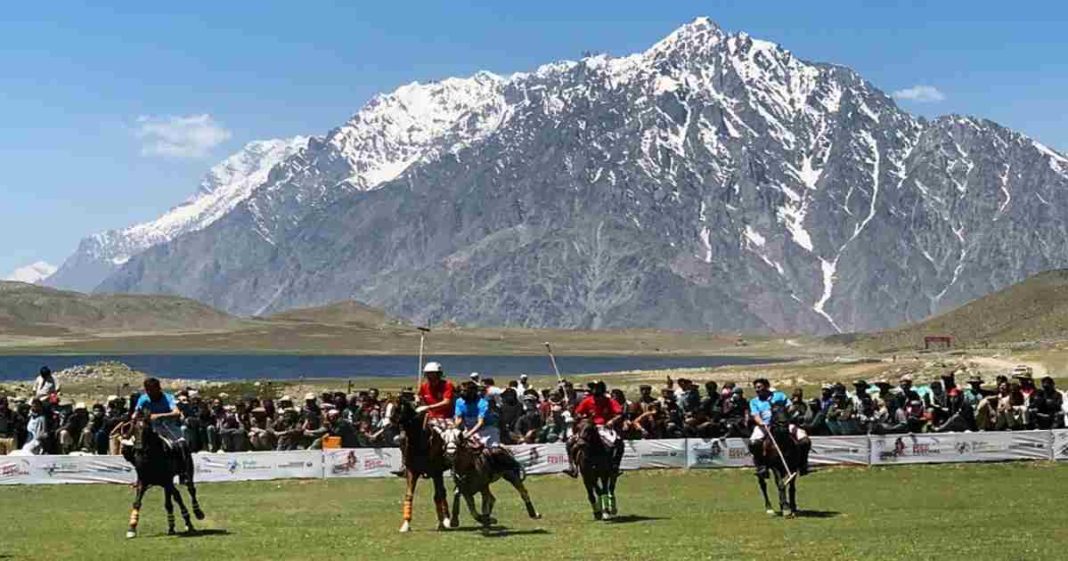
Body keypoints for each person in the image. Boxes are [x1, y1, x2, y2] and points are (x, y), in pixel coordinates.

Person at [747, 378, 809, 477]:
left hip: (785, 424)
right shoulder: (754, 401)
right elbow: (755, 415)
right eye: (756, 388)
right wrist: (761, 423)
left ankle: (803, 464)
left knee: (805, 440)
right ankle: (761, 467)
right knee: (753, 443)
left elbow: (790, 407)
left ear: (767, 386)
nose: (757, 390)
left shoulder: (779, 396)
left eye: (759, 387)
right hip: (765, 425)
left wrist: (792, 411)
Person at [564, 380, 623, 478]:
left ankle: (615, 467)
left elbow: (619, 414)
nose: (595, 390)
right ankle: (572, 468)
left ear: (602, 389)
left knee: (619, 443)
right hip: (589, 426)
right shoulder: (587, 400)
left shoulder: (610, 401)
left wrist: (612, 421)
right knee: (570, 443)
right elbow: (578, 412)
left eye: (597, 388)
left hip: (604, 427)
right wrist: (576, 415)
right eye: (593, 388)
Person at [133, 378, 185, 452]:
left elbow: (176, 412)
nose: (149, 392)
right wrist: (137, 416)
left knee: (181, 445)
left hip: (168, 425)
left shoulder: (168, 398)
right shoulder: (143, 399)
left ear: (158, 388)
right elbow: (135, 413)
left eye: (152, 390)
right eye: (147, 390)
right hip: (151, 426)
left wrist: (158, 416)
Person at [453, 381, 501, 448]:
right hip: (469, 429)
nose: (462, 393)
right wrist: (453, 428)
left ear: (473, 391)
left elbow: (480, 422)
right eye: (461, 391)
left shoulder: (483, 403)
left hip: (486, 429)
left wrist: (468, 434)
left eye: (465, 391)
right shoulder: (459, 401)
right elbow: (459, 418)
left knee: (493, 450)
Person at [417, 362, 456, 434]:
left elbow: (446, 402)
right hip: (429, 418)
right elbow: (420, 397)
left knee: (449, 436)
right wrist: (417, 400)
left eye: (432, 374)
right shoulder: (424, 386)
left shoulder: (447, 385)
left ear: (438, 374)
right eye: (427, 374)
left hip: (446, 418)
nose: (429, 376)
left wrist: (429, 407)